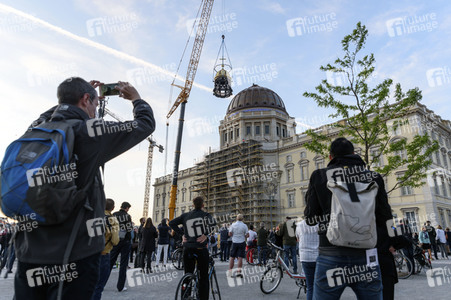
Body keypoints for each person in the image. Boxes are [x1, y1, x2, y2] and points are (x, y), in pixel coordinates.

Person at [13, 78, 155, 300]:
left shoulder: (36, 128)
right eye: (95, 104)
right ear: (86, 100)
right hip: (73, 253)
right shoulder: (89, 132)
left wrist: (71, 96)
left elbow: (55, 110)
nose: (95, 111)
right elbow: (144, 125)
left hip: (29, 250)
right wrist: (136, 99)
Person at [304, 137, 392, 300]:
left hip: (330, 253)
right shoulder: (374, 177)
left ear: (330, 157)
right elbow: (386, 217)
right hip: (366, 255)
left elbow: (310, 219)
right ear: (354, 153)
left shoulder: (319, 176)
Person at [169, 197, 216, 300]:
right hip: (200, 248)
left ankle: (185, 296)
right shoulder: (205, 215)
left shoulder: (185, 215)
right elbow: (213, 223)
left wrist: (182, 234)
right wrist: (205, 234)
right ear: (203, 205)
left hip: (188, 248)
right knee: (203, 277)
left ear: (192, 205)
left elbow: (171, 223)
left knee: (187, 274)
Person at [92, 198, 119, 300]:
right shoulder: (113, 220)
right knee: (98, 287)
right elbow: (115, 241)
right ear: (113, 208)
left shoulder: (94, 215)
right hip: (104, 253)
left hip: (90, 254)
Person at [110, 201, 133, 292]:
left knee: (110, 262)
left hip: (115, 240)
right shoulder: (127, 216)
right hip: (125, 242)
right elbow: (129, 229)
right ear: (127, 208)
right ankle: (120, 286)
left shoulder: (114, 214)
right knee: (123, 264)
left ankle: (101, 283)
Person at [296, 219, 318, 300]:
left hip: (305, 257)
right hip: (317, 257)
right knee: (318, 286)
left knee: (310, 286)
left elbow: (298, 239)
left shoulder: (299, 225)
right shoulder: (320, 224)